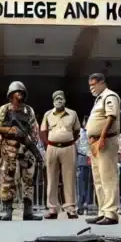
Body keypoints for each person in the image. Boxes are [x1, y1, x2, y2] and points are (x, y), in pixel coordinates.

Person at [0, 81, 42, 221]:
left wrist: (34, 145)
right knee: (8, 178)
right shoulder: (5, 109)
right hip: (9, 147)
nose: (20, 94)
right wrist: (10, 130)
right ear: (11, 95)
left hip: (26, 148)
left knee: (28, 180)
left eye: (22, 92)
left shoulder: (29, 110)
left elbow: (34, 129)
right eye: (17, 92)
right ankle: (8, 210)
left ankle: (28, 211)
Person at [85, 73, 121, 226]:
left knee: (108, 177)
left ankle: (111, 213)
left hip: (105, 141)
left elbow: (110, 117)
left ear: (102, 82)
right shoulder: (99, 99)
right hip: (95, 142)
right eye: (90, 85)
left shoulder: (109, 96)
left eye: (93, 84)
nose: (91, 88)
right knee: (98, 179)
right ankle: (103, 211)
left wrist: (102, 137)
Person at [40, 90, 80, 219]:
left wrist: (67, 141)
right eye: (56, 99)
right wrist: (49, 145)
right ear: (53, 101)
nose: (59, 100)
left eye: (61, 98)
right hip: (52, 148)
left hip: (68, 148)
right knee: (51, 178)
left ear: (65, 100)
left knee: (69, 178)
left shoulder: (72, 114)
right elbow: (43, 131)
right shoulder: (48, 114)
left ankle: (70, 208)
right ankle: (52, 208)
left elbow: (77, 131)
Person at [76, 119, 95, 215]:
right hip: (82, 158)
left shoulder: (91, 132)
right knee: (81, 183)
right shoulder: (79, 132)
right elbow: (77, 145)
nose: (85, 123)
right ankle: (81, 204)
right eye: (84, 121)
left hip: (90, 158)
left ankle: (89, 203)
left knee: (90, 183)